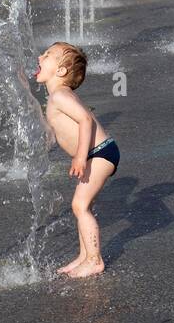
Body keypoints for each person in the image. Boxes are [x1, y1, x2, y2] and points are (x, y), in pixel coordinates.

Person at [35, 41, 119, 279]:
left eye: (47, 55)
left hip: (99, 153)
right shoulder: (57, 97)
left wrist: (80, 157)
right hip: (98, 154)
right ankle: (84, 256)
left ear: (61, 71)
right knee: (84, 206)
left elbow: (85, 120)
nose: (40, 57)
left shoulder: (60, 95)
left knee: (79, 206)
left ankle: (94, 260)